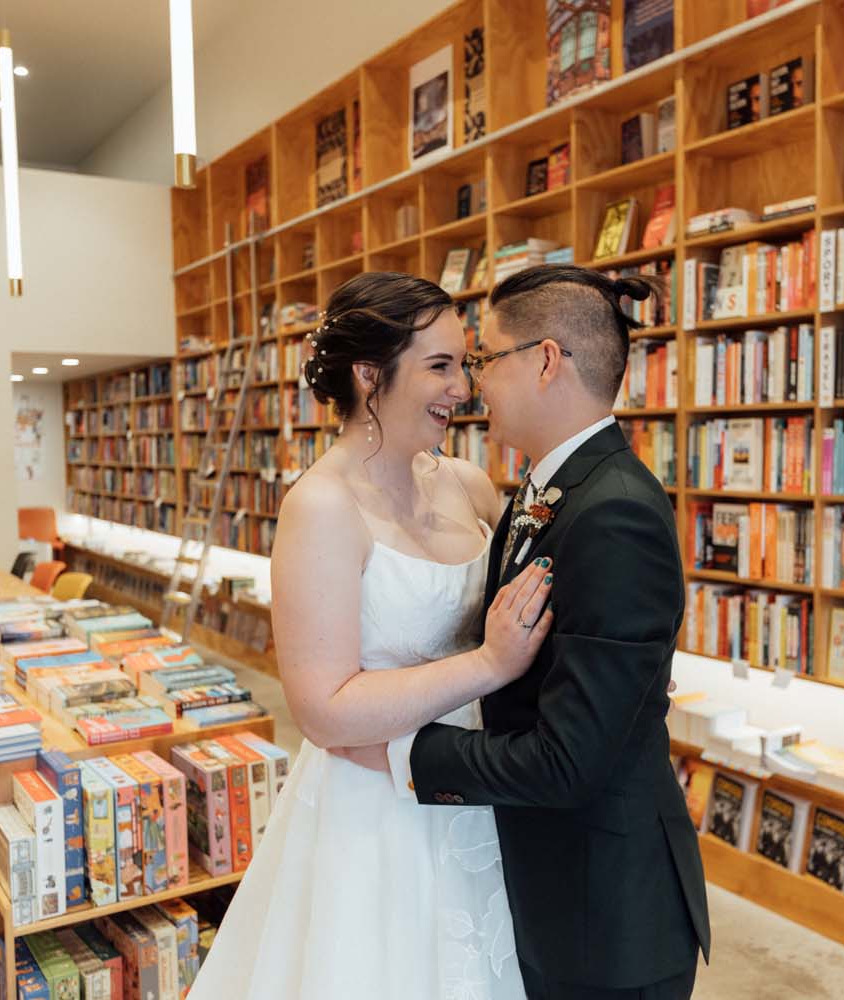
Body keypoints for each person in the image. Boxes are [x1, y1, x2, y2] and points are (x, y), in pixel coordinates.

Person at [190, 271, 550, 999]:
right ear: (368, 375)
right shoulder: (320, 507)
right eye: (441, 366)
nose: (464, 388)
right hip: (377, 807)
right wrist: (487, 665)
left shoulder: (468, 484)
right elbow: (323, 709)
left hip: (480, 783)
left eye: (467, 365)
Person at [364, 264, 711, 998]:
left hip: (607, 917)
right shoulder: (550, 484)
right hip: (557, 879)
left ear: (546, 361)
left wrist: (408, 749)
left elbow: (567, 762)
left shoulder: (615, 510)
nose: (470, 384)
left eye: (485, 360)